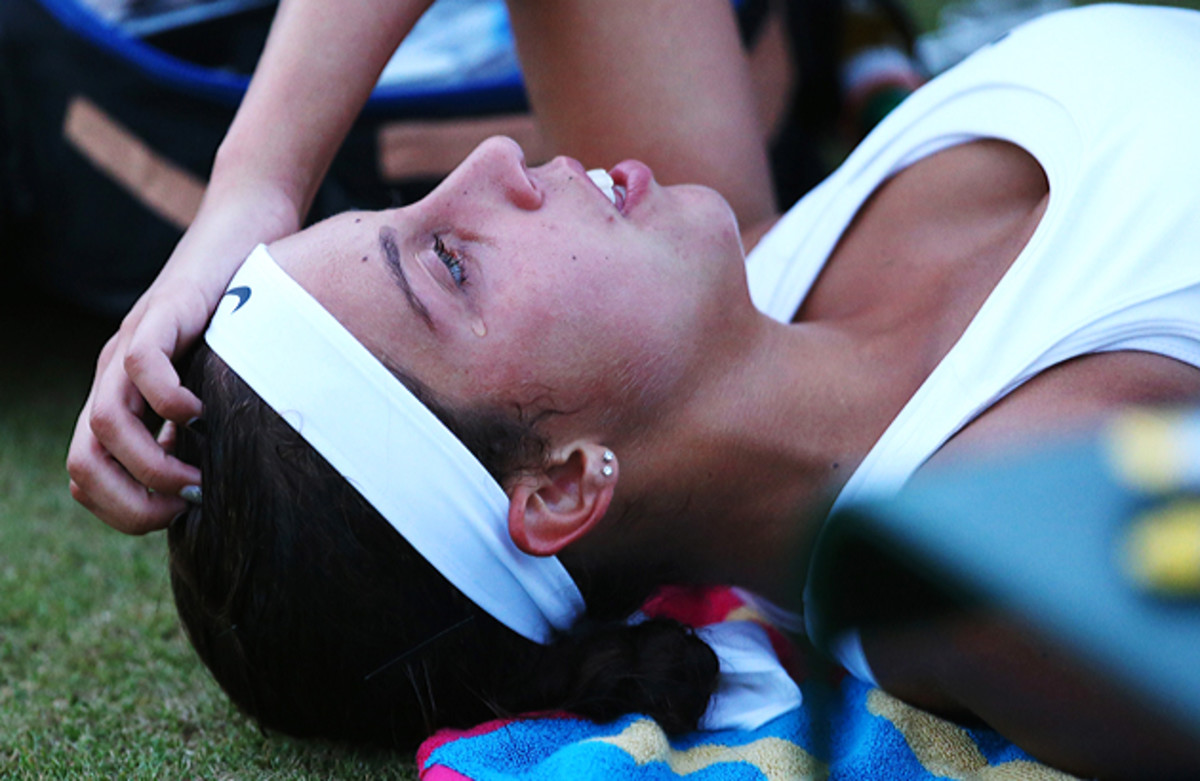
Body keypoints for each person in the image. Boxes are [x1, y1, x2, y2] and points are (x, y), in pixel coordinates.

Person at [67, 2, 1200, 778]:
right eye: (449, 262)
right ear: (561, 487)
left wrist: (256, 189)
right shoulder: (988, 552)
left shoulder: (753, 258)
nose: (492, 167)